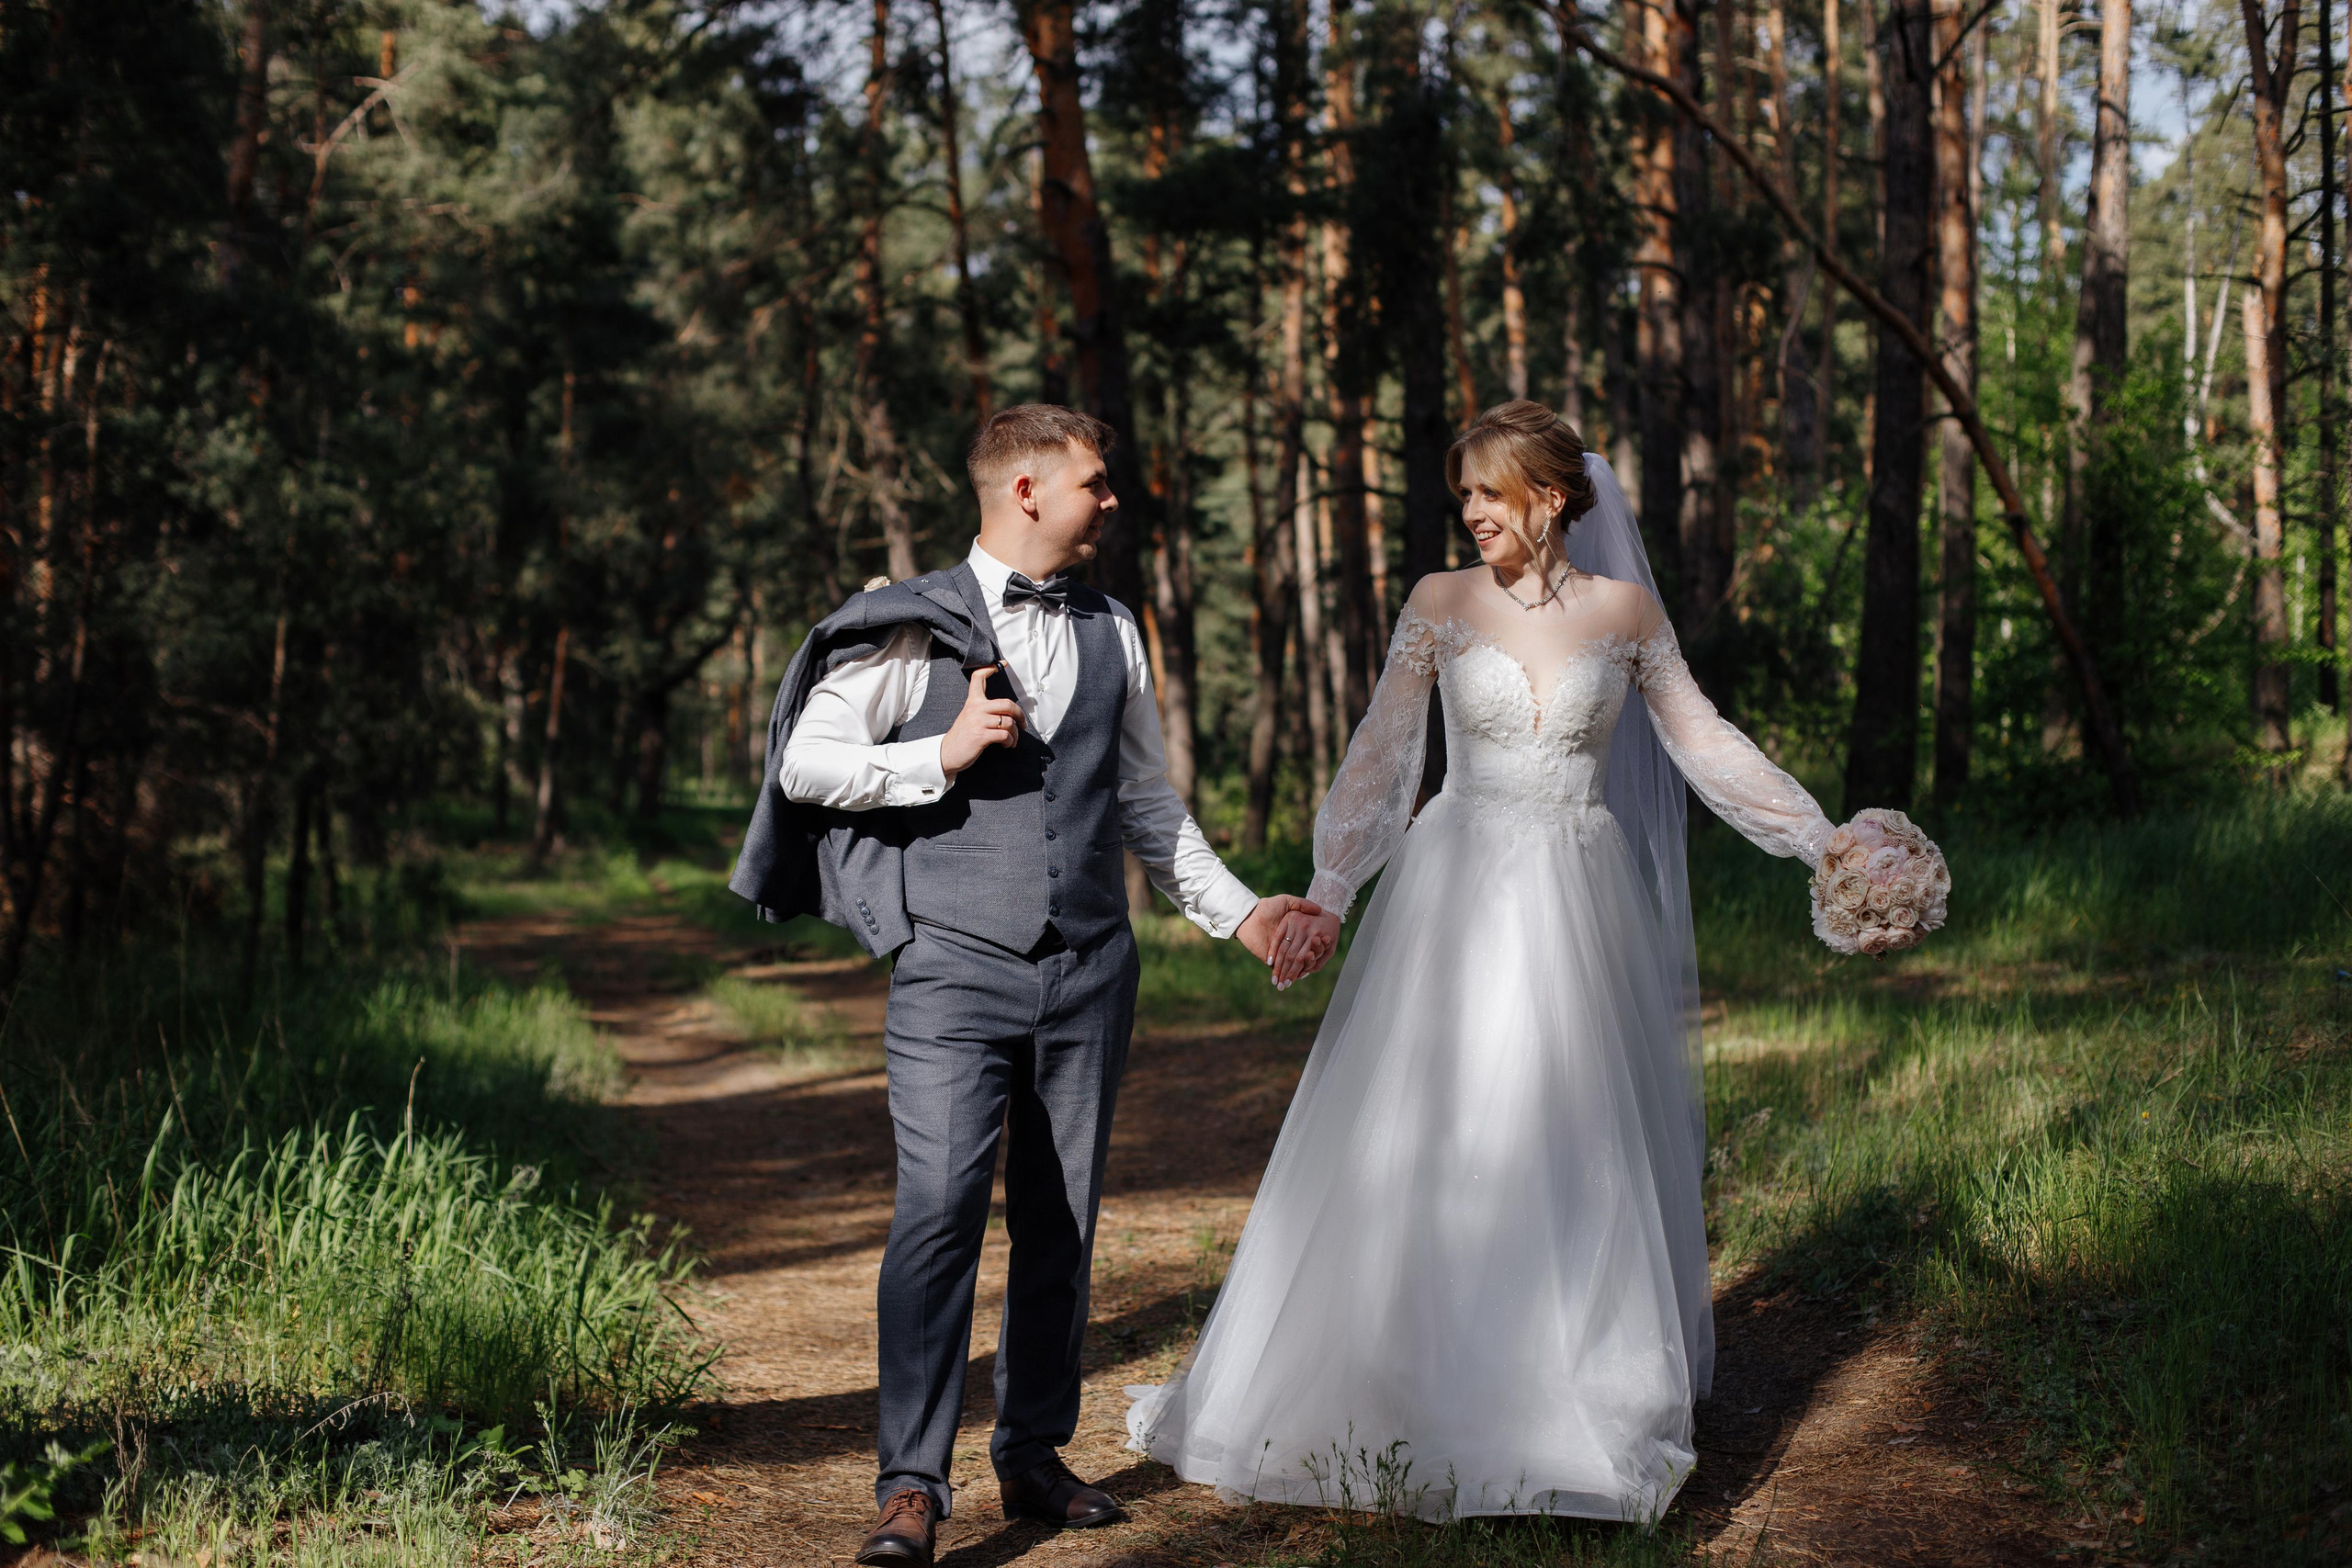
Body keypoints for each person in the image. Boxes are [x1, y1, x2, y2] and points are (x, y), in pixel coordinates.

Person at [1125, 400, 1839, 1524]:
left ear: (1550, 498)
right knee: (1439, 1126)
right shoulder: (1440, 604)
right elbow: (1382, 752)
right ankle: (1412, 1386)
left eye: (1486, 494)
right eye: (1461, 494)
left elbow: (1701, 739)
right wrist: (1330, 890)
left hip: (1580, 890)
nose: (1467, 515)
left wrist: (1821, 841)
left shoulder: (1625, 612)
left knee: (1573, 1131)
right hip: (1455, 886)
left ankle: (1583, 1410)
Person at [729, 404, 1320, 1568]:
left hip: (1093, 966)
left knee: (1063, 1219)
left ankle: (1034, 1455)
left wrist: (1242, 912)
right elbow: (804, 759)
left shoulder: (1113, 627)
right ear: (1027, 491)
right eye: (1095, 483)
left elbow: (1146, 801)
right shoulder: (910, 626)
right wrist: (935, 756)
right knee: (940, 1214)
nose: (1112, 500)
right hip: (952, 966)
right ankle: (911, 1484)